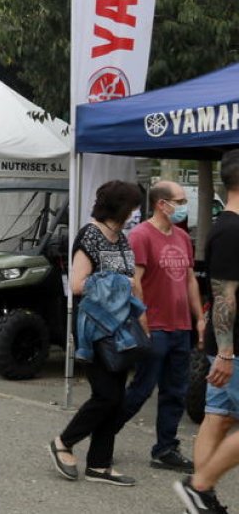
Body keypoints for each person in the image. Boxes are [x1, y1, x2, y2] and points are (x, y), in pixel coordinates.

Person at [49, 179, 143, 487]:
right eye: (130, 207)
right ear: (117, 206)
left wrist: (143, 318)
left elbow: (132, 278)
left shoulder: (120, 237)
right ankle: (63, 441)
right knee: (106, 395)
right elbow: (78, 284)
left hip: (121, 328)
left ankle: (100, 465)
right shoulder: (89, 236)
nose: (133, 213)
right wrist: (120, 284)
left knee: (114, 398)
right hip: (97, 328)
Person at [117, 180, 203, 472]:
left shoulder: (181, 236)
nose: (183, 206)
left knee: (175, 391)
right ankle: (103, 434)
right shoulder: (140, 236)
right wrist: (142, 321)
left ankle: (165, 448)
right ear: (161, 204)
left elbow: (189, 280)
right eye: (179, 200)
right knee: (141, 389)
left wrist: (199, 319)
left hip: (180, 326)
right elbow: (135, 282)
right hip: (154, 326)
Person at [177, 152, 239, 513]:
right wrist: (227, 353)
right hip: (234, 347)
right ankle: (199, 488)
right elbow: (224, 295)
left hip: (227, 345)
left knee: (218, 418)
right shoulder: (231, 230)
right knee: (220, 418)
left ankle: (200, 500)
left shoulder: (228, 226)